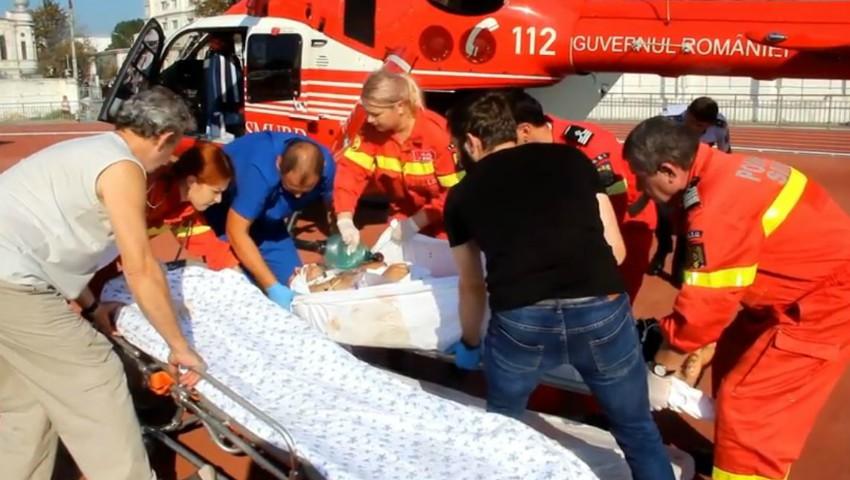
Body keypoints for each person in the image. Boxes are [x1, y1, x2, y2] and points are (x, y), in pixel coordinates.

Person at [442, 92, 674, 480]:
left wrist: (469, 343)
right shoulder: (572, 159)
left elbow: (472, 285)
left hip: (522, 320)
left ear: (471, 142)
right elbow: (616, 251)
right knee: (637, 431)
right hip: (600, 308)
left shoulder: (461, 194)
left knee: (502, 427)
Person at [625, 116, 850, 480]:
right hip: (791, 292)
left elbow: (699, 315)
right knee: (732, 360)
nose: (639, 186)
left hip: (819, 307)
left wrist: (660, 372)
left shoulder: (716, 210)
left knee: (749, 409)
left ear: (668, 170)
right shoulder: (723, 169)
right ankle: (732, 453)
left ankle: (746, 467)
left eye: (640, 176)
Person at [0, 86, 205, 480]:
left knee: (29, 403)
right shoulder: (122, 167)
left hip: (10, 274)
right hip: (11, 283)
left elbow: (51, 244)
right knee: (95, 372)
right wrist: (180, 347)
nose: (167, 162)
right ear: (163, 138)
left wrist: (93, 308)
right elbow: (141, 266)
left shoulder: (89, 151)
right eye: (171, 150)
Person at [508, 90, 656, 303]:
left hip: (627, 224)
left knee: (614, 298)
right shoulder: (537, 144)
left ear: (524, 130)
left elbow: (615, 202)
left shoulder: (588, 145)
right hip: (579, 225)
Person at [334, 69, 464, 251]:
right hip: (402, 216)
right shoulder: (371, 133)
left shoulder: (437, 135)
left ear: (400, 107)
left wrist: (416, 222)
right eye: (367, 112)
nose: (369, 120)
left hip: (444, 220)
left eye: (376, 114)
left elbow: (454, 193)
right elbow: (350, 173)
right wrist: (345, 218)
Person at [203, 131, 335, 310]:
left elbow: (332, 206)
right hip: (225, 215)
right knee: (242, 290)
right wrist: (272, 287)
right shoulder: (259, 170)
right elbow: (236, 231)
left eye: (306, 191)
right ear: (279, 163)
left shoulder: (327, 167)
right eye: (291, 188)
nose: (298, 196)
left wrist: (339, 240)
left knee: (298, 285)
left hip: (269, 224)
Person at [650, 96, 732, 277]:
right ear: (687, 113)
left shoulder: (719, 125)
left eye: (700, 126)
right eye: (691, 122)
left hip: (697, 175)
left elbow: (725, 155)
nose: (694, 129)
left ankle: (681, 262)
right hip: (669, 171)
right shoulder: (667, 119)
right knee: (663, 216)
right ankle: (662, 250)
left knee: (691, 217)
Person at [145, 141, 238, 270]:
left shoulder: (186, 209)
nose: (219, 200)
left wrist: (236, 271)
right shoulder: (148, 191)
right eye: (216, 191)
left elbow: (209, 246)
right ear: (192, 181)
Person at [203, 33, 244, 138]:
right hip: (223, 109)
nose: (211, 45)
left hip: (228, 110)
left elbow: (220, 88)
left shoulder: (224, 59)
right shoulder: (216, 58)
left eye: (214, 42)